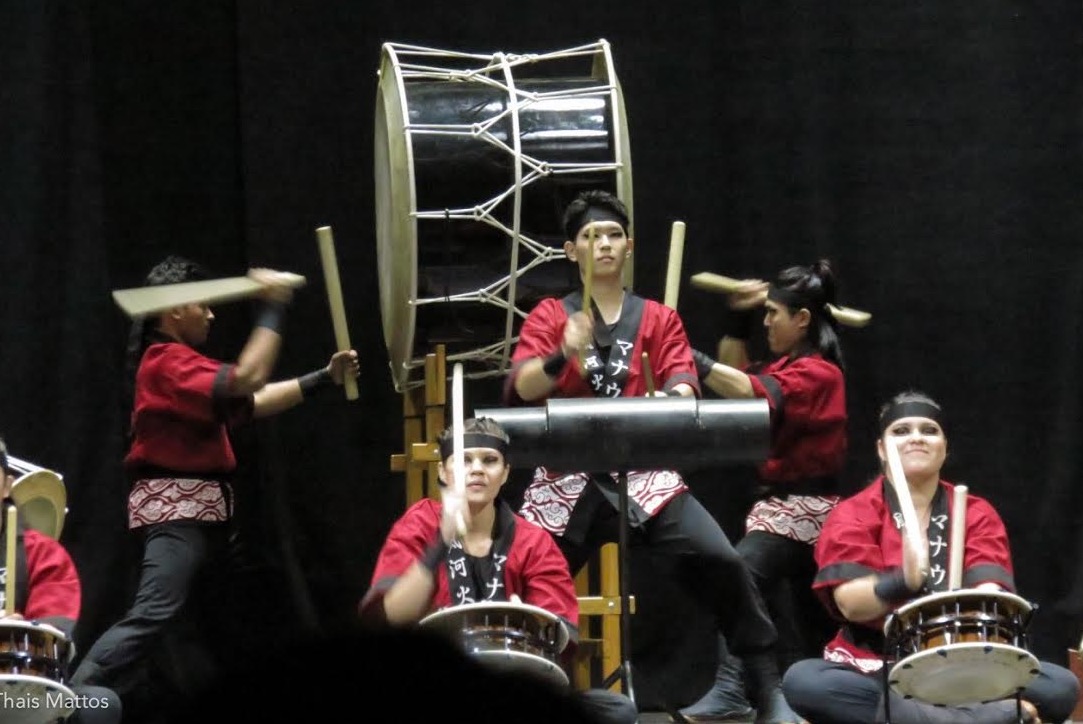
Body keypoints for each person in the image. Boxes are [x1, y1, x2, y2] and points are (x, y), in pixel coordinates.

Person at [503, 189, 796, 724]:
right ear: (572, 252)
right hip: (568, 476)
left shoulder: (658, 318)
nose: (604, 244)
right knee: (520, 582)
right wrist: (561, 353)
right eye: (591, 236)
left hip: (644, 473)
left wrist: (677, 397)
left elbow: (684, 381)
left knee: (723, 562)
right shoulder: (551, 314)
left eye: (614, 234)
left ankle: (767, 692)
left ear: (630, 245)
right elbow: (523, 388)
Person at [69, 256, 360, 718]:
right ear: (174, 310)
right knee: (154, 613)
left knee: (223, 628)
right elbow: (248, 377)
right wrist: (273, 308)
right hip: (178, 517)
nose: (211, 314)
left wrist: (322, 378)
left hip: (207, 521)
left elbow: (252, 400)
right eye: (202, 305)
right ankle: (75, 691)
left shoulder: (181, 367)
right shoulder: (164, 362)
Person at [781, 391, 1080, 723]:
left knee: (1059, 686)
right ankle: (990, 716)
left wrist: (984, 605)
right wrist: (902, 581)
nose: (916, 438)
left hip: (965, 663)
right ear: (882, 449)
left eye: (928, 430)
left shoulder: (975, 512)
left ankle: (931, 715)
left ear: (944, 447)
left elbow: (992, 590)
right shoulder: (854, 513)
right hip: (879, 662)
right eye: (901, 431)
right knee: (805, 681)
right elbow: (850, 603)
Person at [358, 417, 639, 724]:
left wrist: (528, 624)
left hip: (511, 688)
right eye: (464, 460)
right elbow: (392, 617)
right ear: (443, 471)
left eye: (489, 460)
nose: (477, 469)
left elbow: (558, 637)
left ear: (505, 473)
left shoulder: (534, 541)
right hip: (435, 687)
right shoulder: (420, 524)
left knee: (616, 710)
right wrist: (441, 541)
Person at [680, 261, 847, 722]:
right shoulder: (786, 365)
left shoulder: (820, 374)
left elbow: (746, 389)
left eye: (774, 313)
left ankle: (742, 688)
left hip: (812, 511)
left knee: (740, 571)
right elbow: (738, 377)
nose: (767, 321)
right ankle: (753, 690)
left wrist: (689, 357)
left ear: (803, 319)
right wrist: (737, 319)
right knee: (778, 603)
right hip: (777, 507)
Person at [0, 436, 122, 724]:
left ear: (7, 485)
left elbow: (55, 633)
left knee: (99, 704)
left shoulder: (42, 553)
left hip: (18, 693)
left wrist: (19, 634)